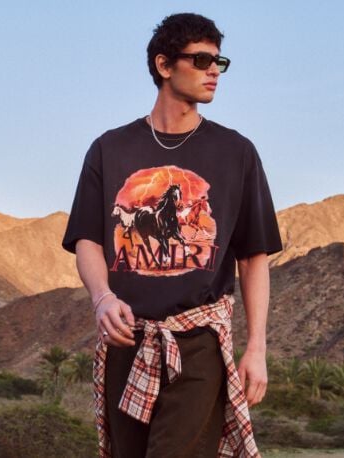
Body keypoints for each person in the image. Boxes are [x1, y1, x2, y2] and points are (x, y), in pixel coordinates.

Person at [61, 12, 283, 458]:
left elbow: (253, 257)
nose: (213, 71)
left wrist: (256, 348)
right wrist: (102, 298)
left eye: (219, 62)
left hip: (197, 344)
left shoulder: (236, 152)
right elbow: (87, 240)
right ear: (164, 65)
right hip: (126, 339)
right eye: (201, 60)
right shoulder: (109, 149)